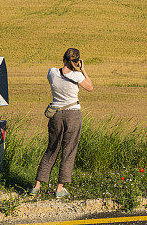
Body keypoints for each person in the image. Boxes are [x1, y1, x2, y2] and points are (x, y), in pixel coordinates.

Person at [29, 48, 94, 198]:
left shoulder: (51, 72)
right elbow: (90, 87)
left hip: (56, 114)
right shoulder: (77, 75)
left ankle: (37, 185)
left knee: (52, 149)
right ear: (77, 61)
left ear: (63, 58)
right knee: (69, 150)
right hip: (73, 114)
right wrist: (83, 70)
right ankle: (60, 188)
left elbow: (58, 78)